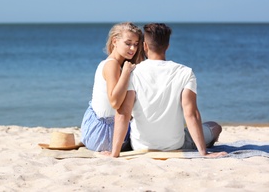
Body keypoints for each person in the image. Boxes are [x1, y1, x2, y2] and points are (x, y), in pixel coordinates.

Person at [108, 23, 226, 158]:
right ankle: (200, 145)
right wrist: (203, 153)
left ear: (145, 46)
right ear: (167, 46)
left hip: (140, 146)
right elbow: (191, 113)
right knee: (215, 127)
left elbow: (123, 112)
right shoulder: (185, 72)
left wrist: (115, 153)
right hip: (175, 145)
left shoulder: (133, 72)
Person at [81, 22, 144, 151]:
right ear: (115, 41)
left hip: (95, 131)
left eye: (136, 44)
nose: (133, 48)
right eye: (128, 43)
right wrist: (126, 72)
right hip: (104, 136)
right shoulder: (113, 65)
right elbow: (115, 102)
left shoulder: (111, 63)